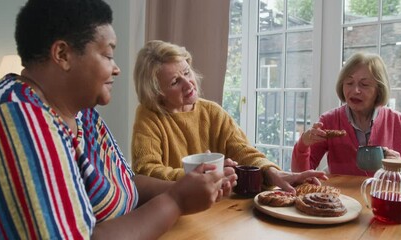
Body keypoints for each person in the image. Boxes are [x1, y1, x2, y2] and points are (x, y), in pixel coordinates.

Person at [0, 1, 235, 239]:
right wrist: (177, 200)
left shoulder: (83, 114)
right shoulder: (18, 115)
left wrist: (191, 187)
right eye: (108, 55)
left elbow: (127, 182)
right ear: (63, 54)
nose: (116, 68)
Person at [131, 40, 328, 192]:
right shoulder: (148, 117)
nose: (189, 83)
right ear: (157, 93)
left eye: (187, 72)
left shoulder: (212, 112)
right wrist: (196, 175)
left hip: (218, 208)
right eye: (175, 81)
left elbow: (243, 152)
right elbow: (146, 171)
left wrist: (273, 172)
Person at [291, 52, 401, 179]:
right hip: (342, 200)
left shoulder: (400, 123)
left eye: (364, 85)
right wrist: (303, 144)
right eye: (349, 83)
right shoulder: (329, 121)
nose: (355, 90)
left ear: (379, 90)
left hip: (384, 201)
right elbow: (300, 176)